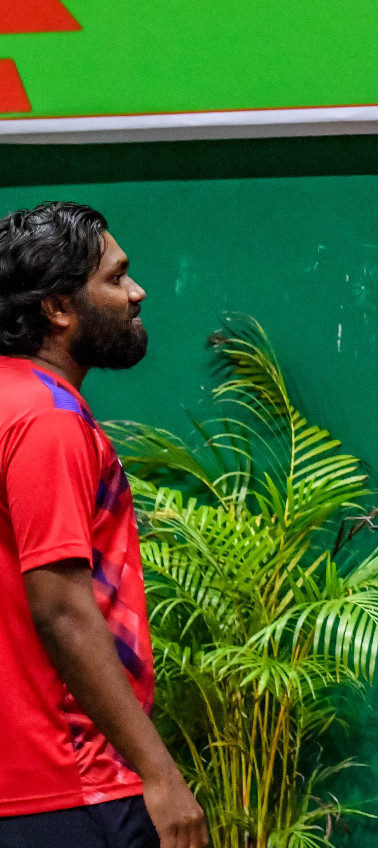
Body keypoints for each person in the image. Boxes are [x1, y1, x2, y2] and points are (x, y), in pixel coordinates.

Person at [0, 202, 207, 848]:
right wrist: (159, 773)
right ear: (59, 307)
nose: (137, 293)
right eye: (116, 279)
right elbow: (61, 608)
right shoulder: (48, 419)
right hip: (75, 786)